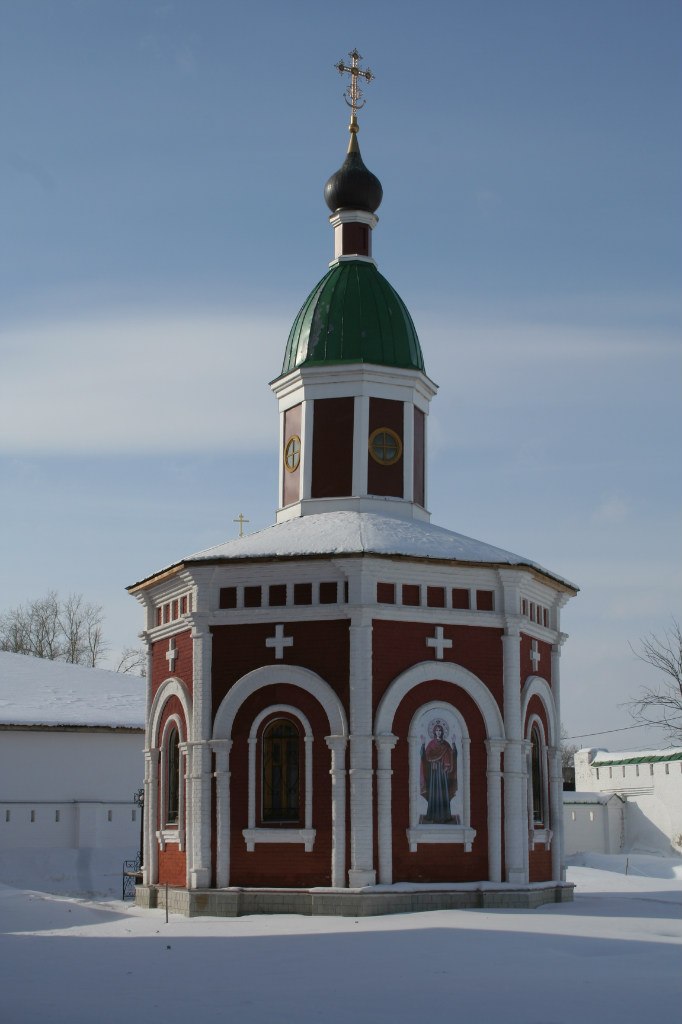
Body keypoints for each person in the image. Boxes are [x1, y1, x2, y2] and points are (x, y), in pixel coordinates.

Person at [420, 721, 457, 823]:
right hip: (434, 771)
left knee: (444, 792)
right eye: (436, 730)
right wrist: (423, 744)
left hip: (443, 773)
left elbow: (453, 755)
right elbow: (424, 756)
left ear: (442, 732)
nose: (438, 732)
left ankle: (445, 816)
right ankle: (433, 815)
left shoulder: (446, 744)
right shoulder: (431, 744)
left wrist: (453, 743)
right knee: (434, 792)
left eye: (440, 730)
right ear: (434, 732)